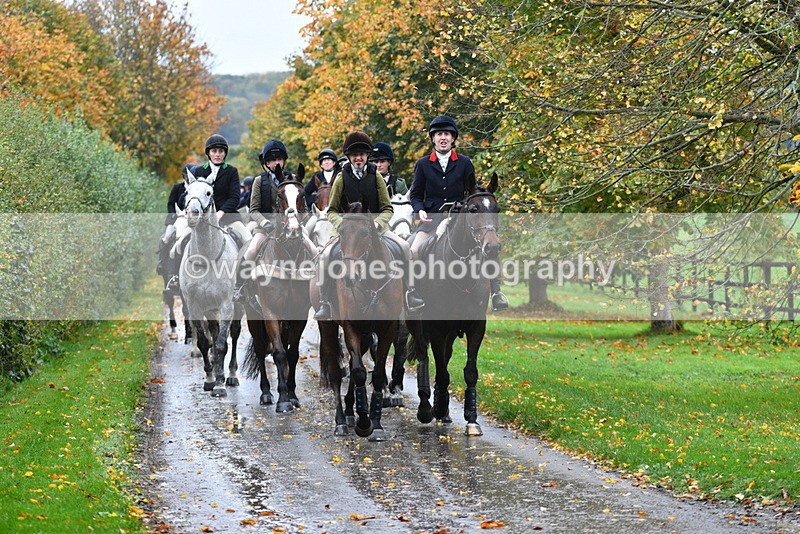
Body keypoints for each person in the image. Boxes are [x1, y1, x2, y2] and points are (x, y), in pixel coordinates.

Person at [314, 131, 424, 321]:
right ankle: (325, 302)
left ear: (367, 157)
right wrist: (343, 225)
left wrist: (376, 224)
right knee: (325, 256)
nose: (358, 158)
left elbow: (387, 209)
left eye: (362, 155)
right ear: (349, 157)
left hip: (375, 229)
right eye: (355, 155)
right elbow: (331, 210)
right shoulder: (340, 178)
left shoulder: (376, 177)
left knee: (405, 248)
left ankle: (410, 293)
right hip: (346, 231)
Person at [408, 115, 508, 311]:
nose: (443, 138)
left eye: (446, 134)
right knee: (414, 250)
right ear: (433, 138)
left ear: (453, 139)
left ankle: (496, 292)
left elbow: (471, 193)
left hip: (458, 220)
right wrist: (419, 210)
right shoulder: (423, 164)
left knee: (489, 245)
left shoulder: (464, 162)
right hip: (431, 219)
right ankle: (413, 292)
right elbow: (416, 194)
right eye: (438, 134)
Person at [160, 163, 192, 292]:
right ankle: (162, 263)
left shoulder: (198, 187)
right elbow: (170, 203)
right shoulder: (177, 188)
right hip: (178, 219)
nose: (190, 177)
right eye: (188, 175)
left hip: (192, 220)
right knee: (166, 238)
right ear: (184, 176)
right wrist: (173, 214)